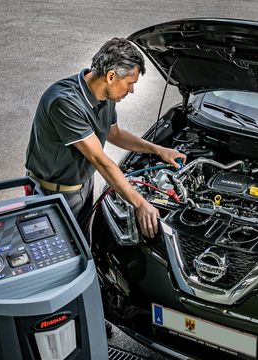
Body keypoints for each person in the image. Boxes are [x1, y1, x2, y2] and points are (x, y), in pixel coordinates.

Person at [25, 37, 185, 238]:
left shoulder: (105, 96)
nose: (131, 90)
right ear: (111, 77)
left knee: (84, 246)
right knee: (58, 261)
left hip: (82, 186)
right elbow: (100, 160)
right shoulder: (65, 102)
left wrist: (159, 150)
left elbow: (114, 134)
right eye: (130, 83)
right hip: (53, 195)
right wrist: (139, 203)